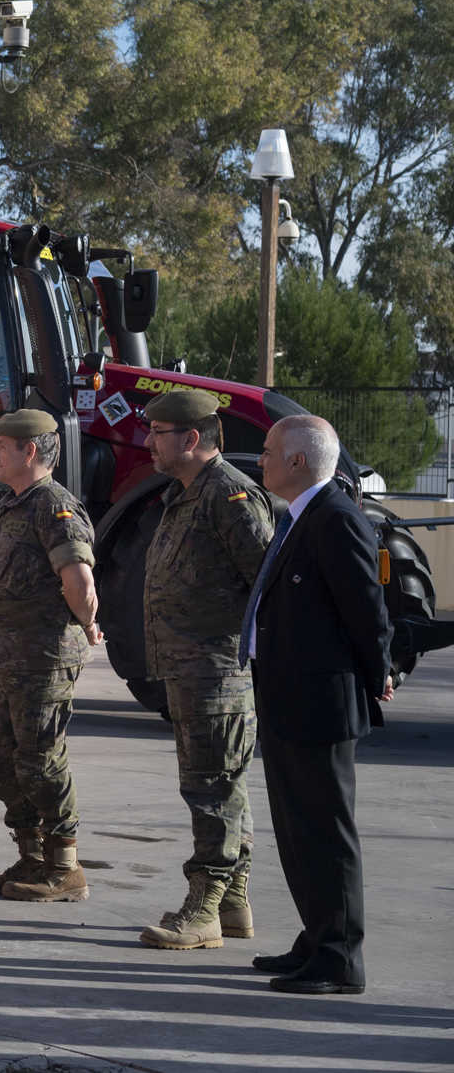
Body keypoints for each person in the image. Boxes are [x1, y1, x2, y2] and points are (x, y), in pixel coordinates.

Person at [247, 414, 392, 995]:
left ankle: (340, 959)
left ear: (299, 462)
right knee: (298, 831)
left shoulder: (336, 520)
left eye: (267, 451)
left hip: (320, 705)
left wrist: (378, 674)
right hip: (287, 699)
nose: (261, 460)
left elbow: (367, 610)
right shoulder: (301, 517)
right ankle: (315, 940)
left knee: (326, 835)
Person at [136, 388, 273, 950]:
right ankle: (234, 902)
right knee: (219, 787)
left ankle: (204, 909)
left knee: (211, 790)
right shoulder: (186, 493)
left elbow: (268, 585)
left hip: (218, 674)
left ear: (191, 439)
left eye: (157, 434)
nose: (147, 442)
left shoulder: (230, 495)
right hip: (191, 672)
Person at [0, 409, 101, 902]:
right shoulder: (14, 506)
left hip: (41, 661)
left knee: (41, 761)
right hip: (0, 660)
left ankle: (64, 865)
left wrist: (88, 622)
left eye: (0, 446)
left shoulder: (54, 507)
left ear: (29, 451)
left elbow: (79, 581)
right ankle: (31, 854)